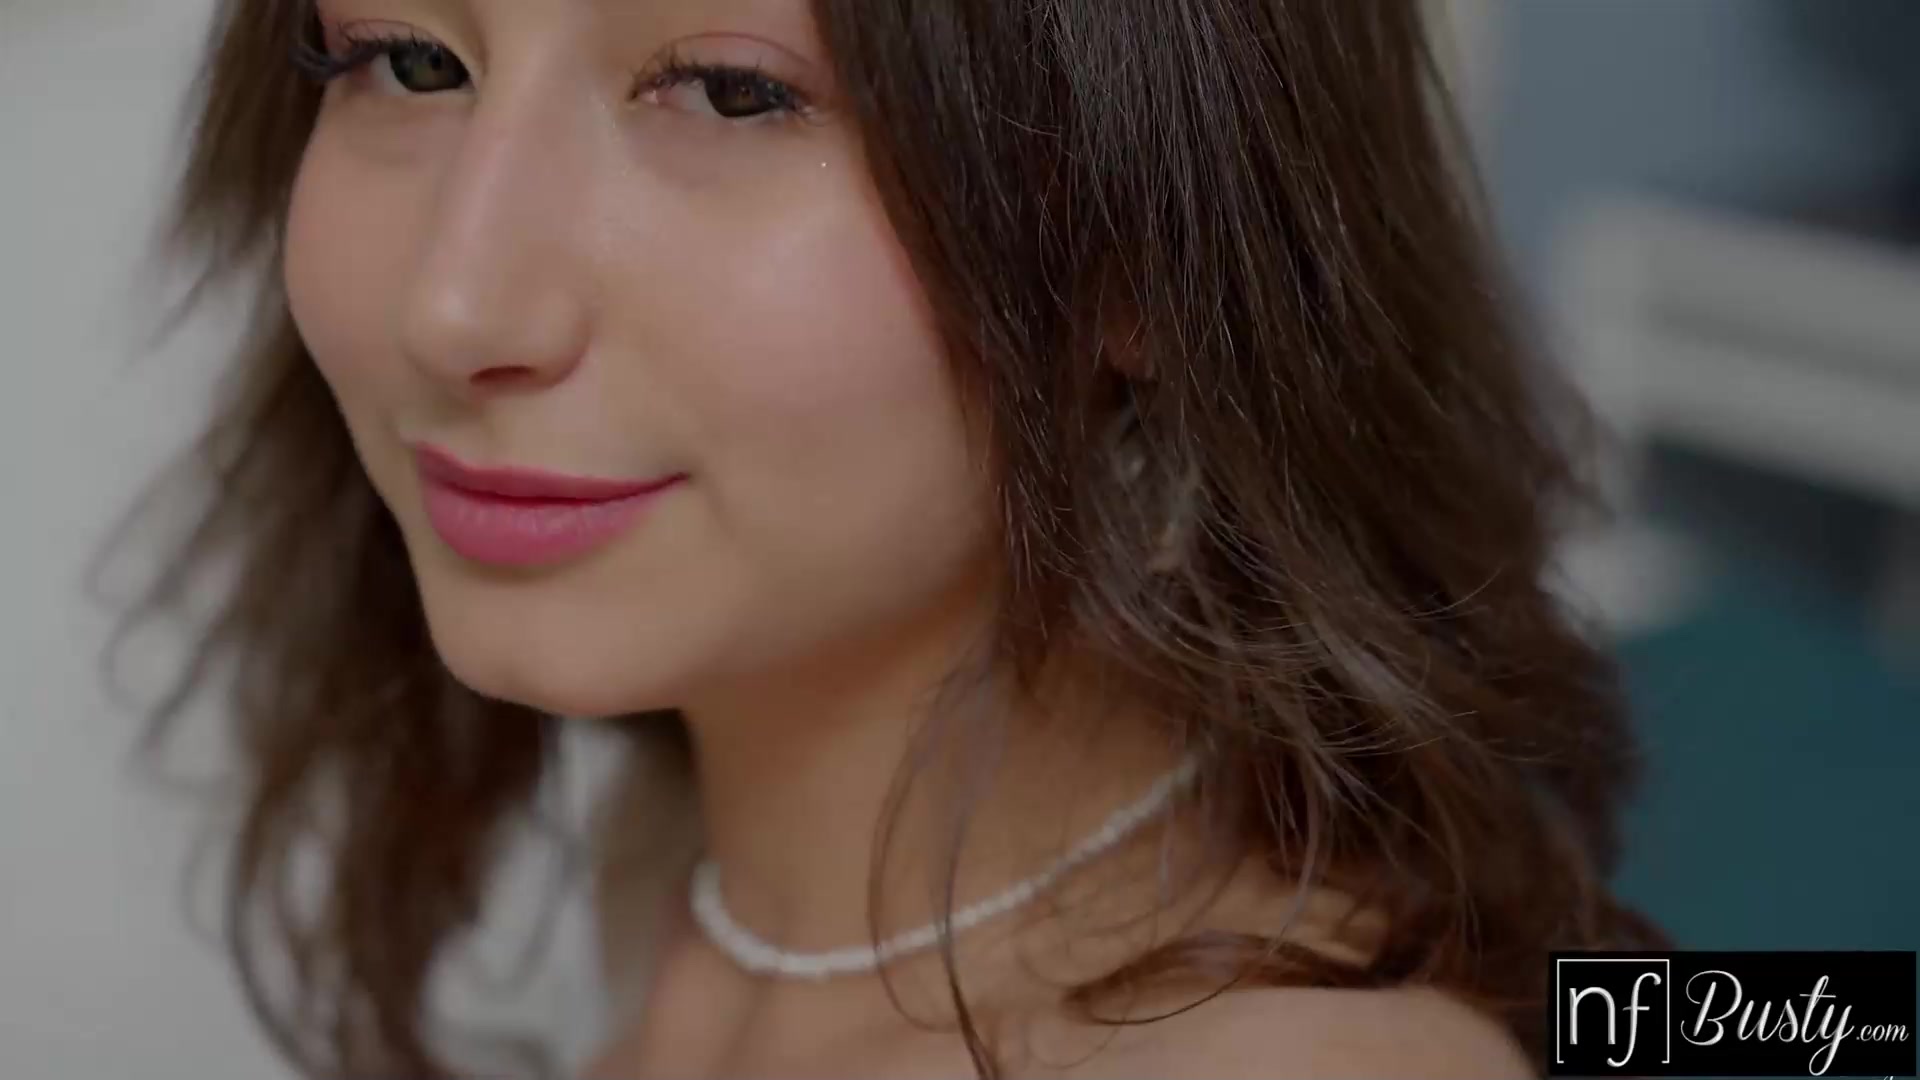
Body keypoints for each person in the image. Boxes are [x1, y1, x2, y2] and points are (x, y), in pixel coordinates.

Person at [125, 0, 1667, 1076]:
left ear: (1145, 237)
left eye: (730, 91)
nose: (455, 305)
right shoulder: (683, 874)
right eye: (405, 60)